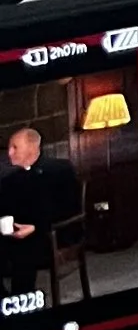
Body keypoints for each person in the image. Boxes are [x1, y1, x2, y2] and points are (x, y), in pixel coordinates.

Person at [0, 122, 81, 299]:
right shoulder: (9, 180)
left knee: (23, 249)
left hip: (52, 233)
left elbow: (68, 207)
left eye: (15, 147)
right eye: (9, 148)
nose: (9, 153)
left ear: (32, 146)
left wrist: (36, 227)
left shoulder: (60, 169)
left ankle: (22, 302)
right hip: (17, 234)